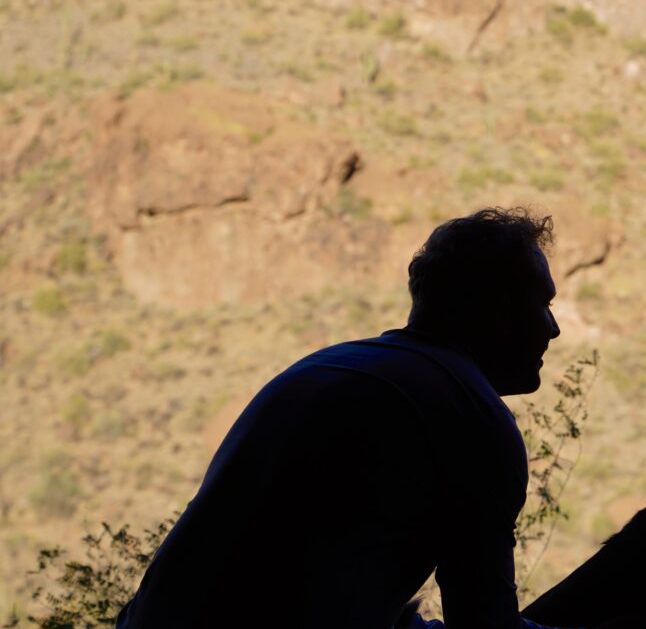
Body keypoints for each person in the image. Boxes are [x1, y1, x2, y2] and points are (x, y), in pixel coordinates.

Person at [116, 207, 574, 629]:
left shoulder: (329, 366)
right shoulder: (473, 417)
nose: (553, 329)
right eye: (544, 306)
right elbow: (484, 625)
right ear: (496, 312)